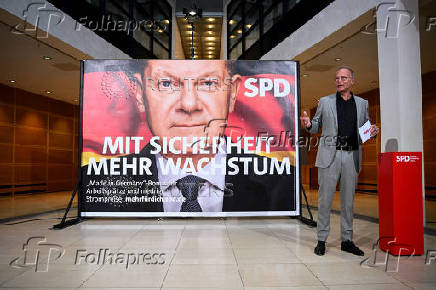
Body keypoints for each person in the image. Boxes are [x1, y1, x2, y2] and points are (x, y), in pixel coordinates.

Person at [81, 60, 295, 213]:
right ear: (139, 94)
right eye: (166, 83)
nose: (189, 105)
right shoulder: (97, 181)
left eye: (208, 83)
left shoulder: (282, 182)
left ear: (232, 93)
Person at [300, 66, 379, 256]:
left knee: (348, 202)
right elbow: (316, 125)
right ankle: (321, 240)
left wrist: (372, 132)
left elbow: (364, 130)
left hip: (352, 156)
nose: (339, 81)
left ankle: (347, 240)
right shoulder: (325, 102)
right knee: (325, 200)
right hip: (330, 155)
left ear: (352, 81)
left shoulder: (362, 103)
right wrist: (310, 125)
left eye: (343, 78)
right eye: (337, 78)